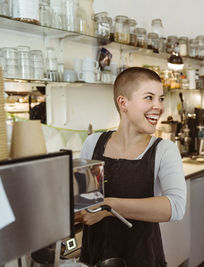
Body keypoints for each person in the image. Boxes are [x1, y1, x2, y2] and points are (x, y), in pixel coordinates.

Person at [75, 67, 186, 267]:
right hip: (95, 255)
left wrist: (109, 207)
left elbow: (175, 207)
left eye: (160, 98)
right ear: (123, 103)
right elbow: (84, 200)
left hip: (142, 257)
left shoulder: (164, 150)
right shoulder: (93, 143)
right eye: (149, 97)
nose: (158, 106)